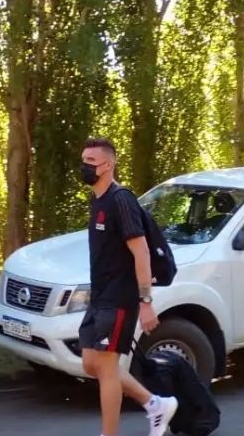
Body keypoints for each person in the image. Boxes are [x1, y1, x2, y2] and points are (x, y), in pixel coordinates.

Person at [79, 138, 178, 436]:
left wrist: (145, 301)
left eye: (91, 161)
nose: (85, 166)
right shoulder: (98, 200)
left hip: (120, 298)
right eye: (83, 160)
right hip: (100, 296)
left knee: (108, 368)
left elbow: (142, 252)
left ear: (108, 165)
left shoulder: (120, 199)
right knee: (90, 363)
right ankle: (154, 404)